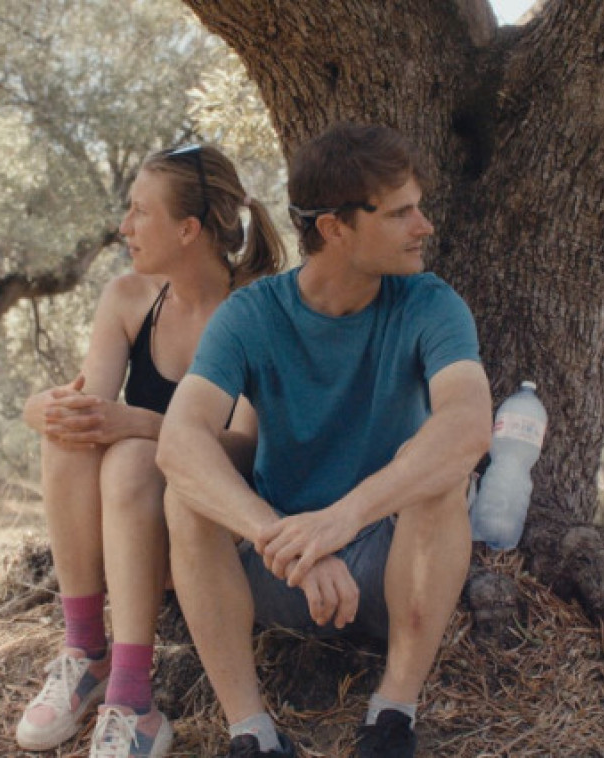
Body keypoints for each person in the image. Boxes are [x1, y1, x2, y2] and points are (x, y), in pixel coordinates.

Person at [156, 123, 492, 758]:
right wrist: (285, 541)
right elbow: (178, 441)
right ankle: (251, 732)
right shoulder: (252, 313)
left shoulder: (430, 303)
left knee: (441, 474)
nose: (423, 226)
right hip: (279, 566)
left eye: (418, 208)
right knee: (186, 494)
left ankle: (392, 716)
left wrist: (342, 520)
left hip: (395, 568)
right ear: (336, 227)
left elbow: (469, 424)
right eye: (400, 213)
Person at [15, 144, 285, 757]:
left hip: (219, 528)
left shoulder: (257, 307)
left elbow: (243, 448)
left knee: (133, 454)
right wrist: (43, 409)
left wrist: (136, 421)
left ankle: (134, 699)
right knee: (70, 437)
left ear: (188, 229)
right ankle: (86, 652)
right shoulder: (129, 298)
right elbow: (86, 411)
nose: (125, 227)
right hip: (132, 532)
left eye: (141, 211)